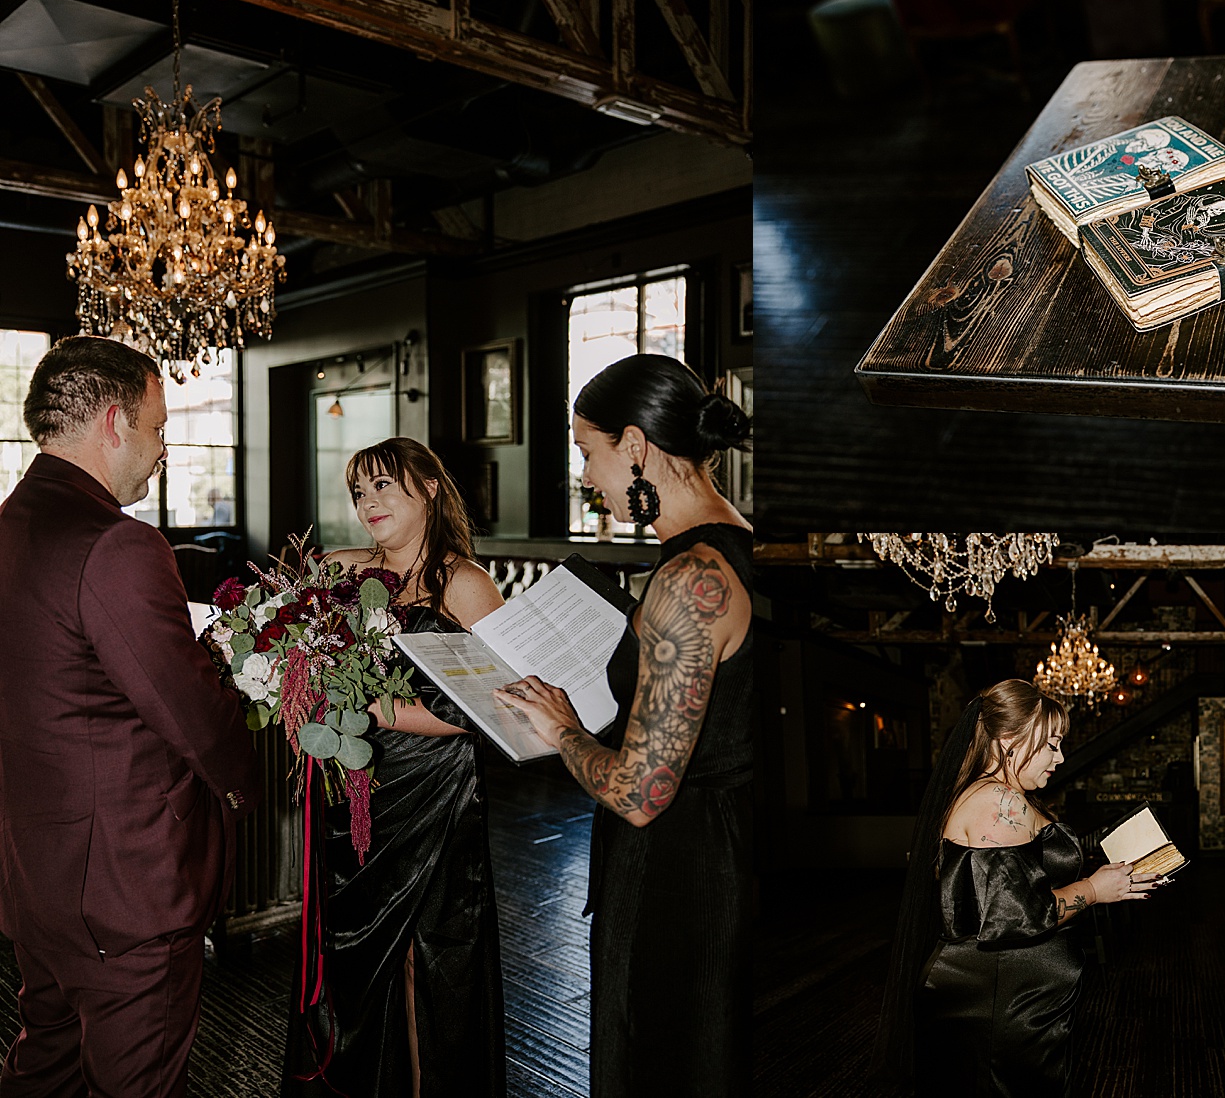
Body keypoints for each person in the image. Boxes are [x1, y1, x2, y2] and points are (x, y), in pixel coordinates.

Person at [0, 335, 261, 1096]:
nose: (163, 449)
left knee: (41, 1069)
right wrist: (246, 786)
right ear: (114, 423)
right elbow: (193, 719)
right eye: (157, 427)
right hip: (126, 889)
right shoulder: (120, 544)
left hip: (35, 877)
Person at [493, 354, 753, 1097]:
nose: (586, 476)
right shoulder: (734, 544)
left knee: (665, 1054)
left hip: (682, 869)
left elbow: (640, 793)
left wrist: (564, 727)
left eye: (587, 452)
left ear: (634, 446)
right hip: (722, 846)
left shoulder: (689, 580)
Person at [282, 436, 507, 1098]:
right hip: (352, 788)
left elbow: (492, 710)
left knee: (424, 961)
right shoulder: (341, 570)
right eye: (358, 491)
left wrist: (382, 710)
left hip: (434, 794)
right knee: (349, 962)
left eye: (383, 485)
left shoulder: (466, 585)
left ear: (430, 488)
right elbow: (293, 643)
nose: (368, 502)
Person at [874, 679, 1165, 1097]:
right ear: (1010, 739)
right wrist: (1095, 890)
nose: (1060, 757)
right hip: (998, 1003)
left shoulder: (1004, 795)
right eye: (1051, 744)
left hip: (1016, 1000)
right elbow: (1017, 915)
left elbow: (1032, 860)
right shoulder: (997, 803)